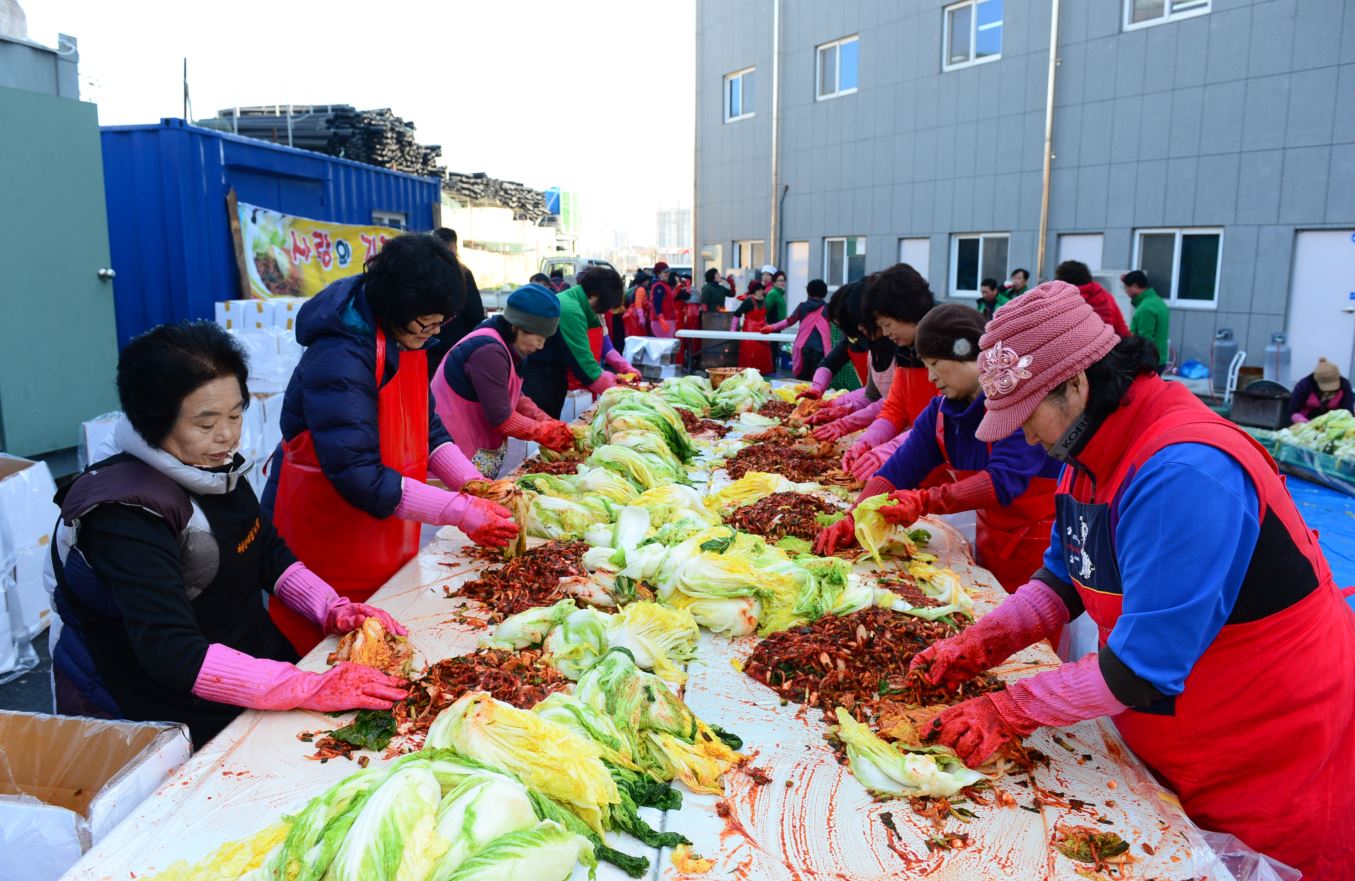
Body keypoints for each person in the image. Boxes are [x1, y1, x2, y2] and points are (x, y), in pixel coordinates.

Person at [910, 282, 1355, 880]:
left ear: (1076, 383)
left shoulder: (1182, 470)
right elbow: (1064, 578)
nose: (1026, 437)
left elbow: (1140, 668)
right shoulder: (1088, 449)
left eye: (1028, 417)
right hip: (1175, 738)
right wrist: (982, 642)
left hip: (1267, 754)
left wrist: (1008, 709)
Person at [52, 323, 410, 747]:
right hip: (172, 707)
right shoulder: (125, 514)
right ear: (153, 422)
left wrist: (331, 608)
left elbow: (264, 550)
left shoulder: (212, 465)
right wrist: (306, 687)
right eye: (205, 424)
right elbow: (173, 653)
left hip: (252, 667)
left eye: (235, 414)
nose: (227, 436)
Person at [263, 234, 518, 654]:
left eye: (441, 323)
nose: (434, 332)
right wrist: (456, 510)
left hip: (383, 531)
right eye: (427, 323)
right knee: (326, 654)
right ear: (397, 305)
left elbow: (428, 428)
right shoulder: (341, 354)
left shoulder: (404, 339)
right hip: (327, 537)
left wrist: (474, 487)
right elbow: (357, 474)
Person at [814, 305, 1060, 593]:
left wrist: (925, 501)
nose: (930, 378)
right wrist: (853, 518)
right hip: (991, 539)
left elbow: (1003, 480)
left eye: (934, 364)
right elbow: (898, 471)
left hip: (1041, 550)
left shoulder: (1016, 407)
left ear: (967, 355)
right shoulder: (940, 413)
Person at [432, 285, 575, 478]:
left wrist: (545, 420)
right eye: (538, 338)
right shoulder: (489, 351)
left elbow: (514, 395)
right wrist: (544, 432)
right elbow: (502, 418)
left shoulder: (509, 345)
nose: (540, 346)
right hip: (453, 450)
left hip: (476, 448)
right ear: (516, 326)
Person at [839, 264, 939, 480]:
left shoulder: (945, 344)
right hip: (918, 465)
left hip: (951, 475)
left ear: (904, 311)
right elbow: (894, 407)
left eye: (887, 324)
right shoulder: (906, 349)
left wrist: (889, 448)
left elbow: (945, 421)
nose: (884, 333)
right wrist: (868, 440)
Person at [521, 265, 635, 418]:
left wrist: (614, 376)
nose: (602, 312)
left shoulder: (574, 302)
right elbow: (586, 367)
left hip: (553, 378)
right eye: (603, 306)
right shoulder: (571, 310)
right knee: (540, 430)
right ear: (594, 294)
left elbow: (602, 350)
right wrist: (626, 398)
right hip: (542, 380)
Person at [424, 228, 486, 367]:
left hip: (425, 344)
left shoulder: (423, 271)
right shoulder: (462, 273)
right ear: (454, 246)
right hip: (457, 348)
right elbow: (475, 313)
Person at [761, 278, 832, 380]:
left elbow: (789, 321)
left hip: (803, 348)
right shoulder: (828, 309)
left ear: (809, 291)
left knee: (802, 380)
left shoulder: (802, 307)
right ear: (824, 293)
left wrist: (771, 327)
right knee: (817, 380)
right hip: (821, 350)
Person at [1055, 260, 1129, 337]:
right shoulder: (1106, 296)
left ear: (1062, 281)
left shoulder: (1061, 301)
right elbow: (1121, 328)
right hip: (1108, 344)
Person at [1121, 270, 1170, 372]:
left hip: (1149, 363)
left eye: (1126, 288)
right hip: (1160, 359)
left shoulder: (1146, 308)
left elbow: (1145, 341)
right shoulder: (1158, 302)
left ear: (1134, 286)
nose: (1126, 293)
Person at [1286, 357, 1352, 423]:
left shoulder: (1344, 385)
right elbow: (1293, 411)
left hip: (1334, 423)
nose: (1328, 391)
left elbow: (1348, 411)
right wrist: (1304, 422)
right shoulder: (1304, 386)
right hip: (1307, 421)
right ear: (1316, 381)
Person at [733, 280, 773, 374]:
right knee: (749, 353)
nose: (760, 291)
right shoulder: (748, 301)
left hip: (763, 329)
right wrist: (733, 331)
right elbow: (737, 313)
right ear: (754, 291)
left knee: (763, 353)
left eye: (761, 289)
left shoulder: (764, 301)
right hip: (750, 329)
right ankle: (747, 373)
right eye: (758, 290)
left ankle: (763, 372)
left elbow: (765, 315)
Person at [648, 262, 676, 337]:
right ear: (658, 273)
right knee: (665, 346)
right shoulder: (659, 286)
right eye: (664, 272)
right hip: (662, 320)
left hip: (667, 319)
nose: (667, 274)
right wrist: (661, 319)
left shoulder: (664, 285)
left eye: (668, 272)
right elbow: (657, 302)